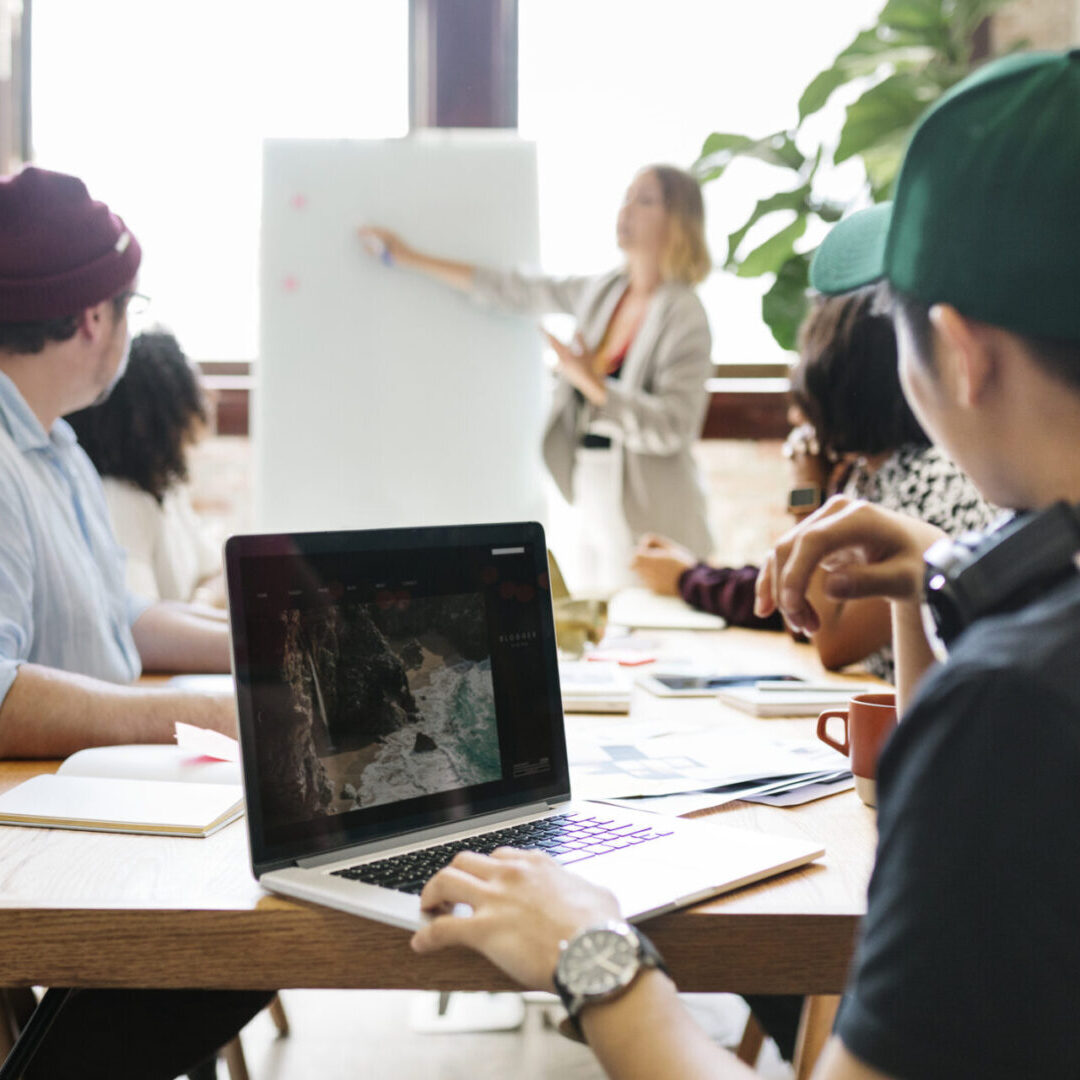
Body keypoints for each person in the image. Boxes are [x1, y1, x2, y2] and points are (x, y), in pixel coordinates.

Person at [406, 49, 1080, 1078]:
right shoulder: (1025, 641)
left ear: (963, 351)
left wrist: (594, 955)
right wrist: (931, 583)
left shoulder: (1012, 710)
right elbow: (959, 879)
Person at [0, 166, 270, 1077]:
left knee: (264, 909)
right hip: (39, 841)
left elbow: (119, 614)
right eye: (131, 306)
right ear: (89, 320)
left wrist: (267, 644)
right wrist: (193, 716)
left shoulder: (55, 443)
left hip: (91, 801)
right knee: (245, 936)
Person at [358, 164, 714, 594]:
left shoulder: (685, 314)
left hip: (653, 511)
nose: (626, 209)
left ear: (678, 220)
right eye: (626, 196)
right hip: (590, 492)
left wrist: (592, 384)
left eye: (645, 200)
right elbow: (516, 289)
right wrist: (411, 258)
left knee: (651, 640)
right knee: (595, 633)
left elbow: (673, 427)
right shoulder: (603, 291)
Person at [633, 287, 995, 682]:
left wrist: (808, 492)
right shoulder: (871, 473)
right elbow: (796, 602)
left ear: (838, 384)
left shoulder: (933, 481)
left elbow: (829, 640)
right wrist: (692, 575)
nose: (794, 411)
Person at [65, 329, 226, 607]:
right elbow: (144, 626)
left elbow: (216, 572)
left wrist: (202, 600)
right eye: (195, 387)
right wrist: (206, 603)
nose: (211, 396)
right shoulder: (122, 500)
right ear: (165, 408)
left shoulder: (168, 487)